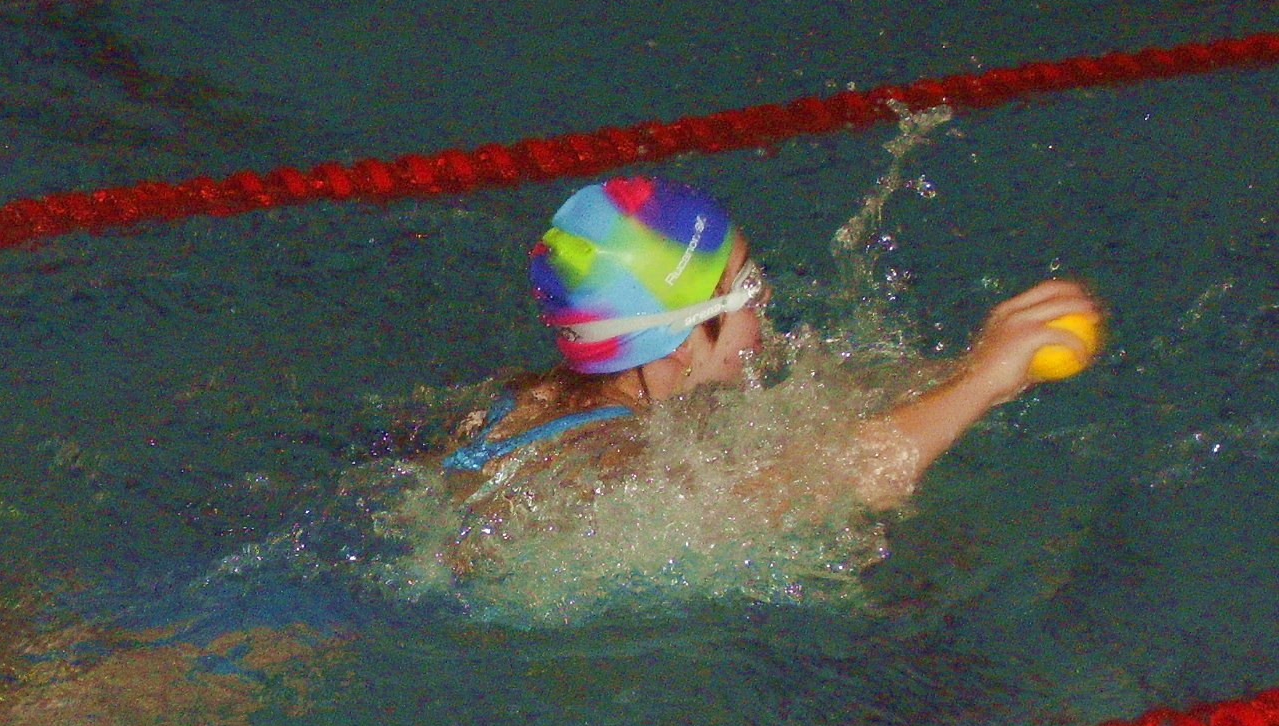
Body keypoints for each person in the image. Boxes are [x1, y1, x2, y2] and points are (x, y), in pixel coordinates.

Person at [441, 175, 1103, 514]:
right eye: (748, 287)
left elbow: (841, 407)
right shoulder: (610, 455)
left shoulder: (542, 395)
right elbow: (830, 483)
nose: (766, 303)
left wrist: (972, 368)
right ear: (680, 340)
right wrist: (980, 384)